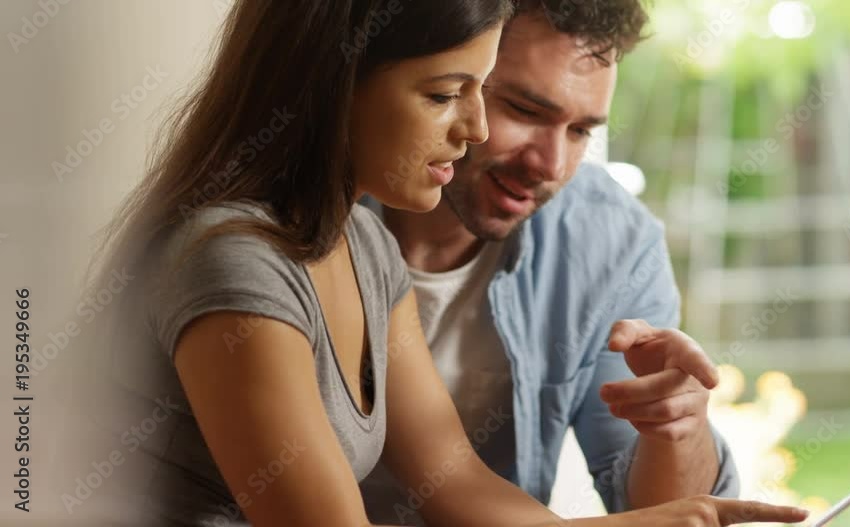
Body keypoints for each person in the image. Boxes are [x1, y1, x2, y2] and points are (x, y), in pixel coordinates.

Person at [71, 1, 808, 526]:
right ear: (336, 82)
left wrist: (675, 498)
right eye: (451, 93)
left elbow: (456, 483)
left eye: (582, 129)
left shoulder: (365, 249)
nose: (476, 126)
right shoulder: (237, 263)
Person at [360, 0, 744, 523]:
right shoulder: (314, 230)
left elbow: (655, 514)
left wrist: (678, 429)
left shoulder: (613, 244)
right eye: (524, 110)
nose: (550, 164)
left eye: (582, 130)